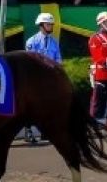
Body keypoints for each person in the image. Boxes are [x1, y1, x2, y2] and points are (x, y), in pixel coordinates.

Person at [23, 12, 62, 143]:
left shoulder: (54, 42)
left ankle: (45, 131)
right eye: (48, 24)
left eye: (51, 24)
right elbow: (29, 62)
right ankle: (28, 131)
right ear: (41, 25)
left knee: (48, 106)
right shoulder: (32, 41)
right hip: (35, 79)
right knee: (31, 106)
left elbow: (58, 60)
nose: (50, 26)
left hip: (49, 80)